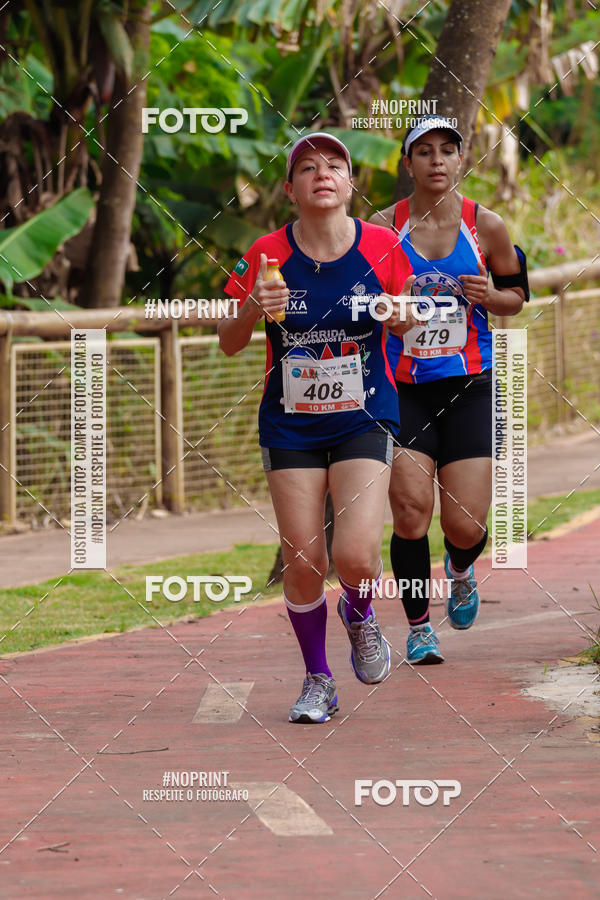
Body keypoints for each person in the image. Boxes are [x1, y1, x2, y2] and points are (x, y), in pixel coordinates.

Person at [219, 132, 414, 722]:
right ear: (290, 189)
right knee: (304, 559)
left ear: (351, 183)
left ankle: (359, 612)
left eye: (334, 165)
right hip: (291, 424)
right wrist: (255, 302)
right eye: (307, 168)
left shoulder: (382, 246)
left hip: (364, 415)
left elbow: (405, 326)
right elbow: (228, 343)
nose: (321, 174)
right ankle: (318, 680)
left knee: (354, 556)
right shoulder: (266, 253)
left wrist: (403, 317)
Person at [370, 115, 529, 664]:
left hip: (472, 385)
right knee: (411, 512)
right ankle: (418, 628)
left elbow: (516, 296)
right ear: (407, 163)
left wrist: (490, 295)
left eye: (447, 151)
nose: (437, 160)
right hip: (404, 387)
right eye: (424, 152)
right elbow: (361, 308)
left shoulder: (486, 226)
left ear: (461, 160)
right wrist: (388, 311)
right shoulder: (381, 228)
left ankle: (460, 571)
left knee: (466, 523)